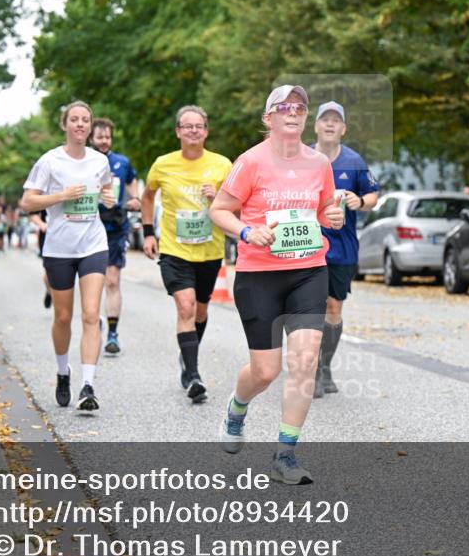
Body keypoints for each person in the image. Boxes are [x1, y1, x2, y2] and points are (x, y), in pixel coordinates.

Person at [209, 85, 344, 485]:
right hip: (259, 275)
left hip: (308, 269)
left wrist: (332, 217)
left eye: (300, 107)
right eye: (284, 106)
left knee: (303, 362)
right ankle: (237, 407)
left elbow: (326, 208)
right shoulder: (250, 161)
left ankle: (286, 453)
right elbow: (219, 210)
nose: (294, 111)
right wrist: (247, 232)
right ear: (268, 118)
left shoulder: (319, 162)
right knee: (266, 372)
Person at [19, 100, 116, 412]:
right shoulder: (50, 161)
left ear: (90, 126)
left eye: (85, 120)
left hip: (93, 244)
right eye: (74, 119)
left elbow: (105, 191)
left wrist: (109, 199)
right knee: (63, 317)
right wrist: (61, 196)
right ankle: (64, 372)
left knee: (91, 314)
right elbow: (26, 203)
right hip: (59, 248)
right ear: (65, 125)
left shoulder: (99, 161)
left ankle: (88, 385)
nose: (80, 125)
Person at [141, 105, 232, 402]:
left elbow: (239, 206)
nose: (193, 130)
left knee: (201, 310)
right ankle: (193, 375)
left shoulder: (222, 165)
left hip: (209, 249)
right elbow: (148, 195)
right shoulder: (163, 164)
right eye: (187, 126)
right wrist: (148, 232)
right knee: (186, 308)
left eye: (199, 126)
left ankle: (186, 357)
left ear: (206, 131)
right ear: (178, 131)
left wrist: (217, 198)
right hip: (174, 248)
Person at [310, 101, 379, 397]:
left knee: (333, 307)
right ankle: (310, 371)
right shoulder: (302, 158)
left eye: (335, 121)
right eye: (324, 119)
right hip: (308, 245)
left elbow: (373, 195)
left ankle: (324, 366)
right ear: (315, 126)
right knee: (311, 307)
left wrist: (359, 202)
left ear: (343, 128)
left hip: (342, 248)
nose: (329, 124)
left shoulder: (354, 161)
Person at [89, 117, 140, 356]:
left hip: (116, 227)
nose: (104, 141)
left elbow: (132, 184)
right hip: (89, 228)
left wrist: (135, 199)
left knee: (112, 280)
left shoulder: (121, 162)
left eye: (107, 136)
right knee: (92, 282)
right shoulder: (83, 162)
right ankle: (92, 320)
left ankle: (112, 333)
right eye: (99, 137)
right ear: (91, 138)